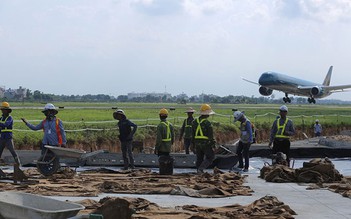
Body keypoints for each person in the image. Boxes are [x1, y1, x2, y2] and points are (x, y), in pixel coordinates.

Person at [192, 104, 216, 173]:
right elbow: (210, 136)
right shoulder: (207, 123)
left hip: (197, 143)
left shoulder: (194, 122)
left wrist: (192, 144)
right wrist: (213, 145)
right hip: (206, 143)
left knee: (199, 158)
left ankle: (198, 171)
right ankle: (201, 168)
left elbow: (192, 134)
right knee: (210, 157)